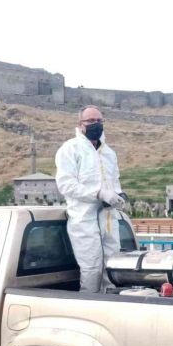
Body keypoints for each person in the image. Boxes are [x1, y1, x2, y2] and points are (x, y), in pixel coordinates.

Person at [55, 106, 126, 293]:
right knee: (92, 270)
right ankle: (88, 305)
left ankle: (110, 305)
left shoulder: (109, 153)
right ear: (80, 124)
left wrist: (118, 195)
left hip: (109, 220)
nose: (96, 124)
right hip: (84, 221)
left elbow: (114, 182)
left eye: (99, 121)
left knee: (112, 268)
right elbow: (66, 185)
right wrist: (98, 194)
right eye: (91, 121)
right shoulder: (70, 149)